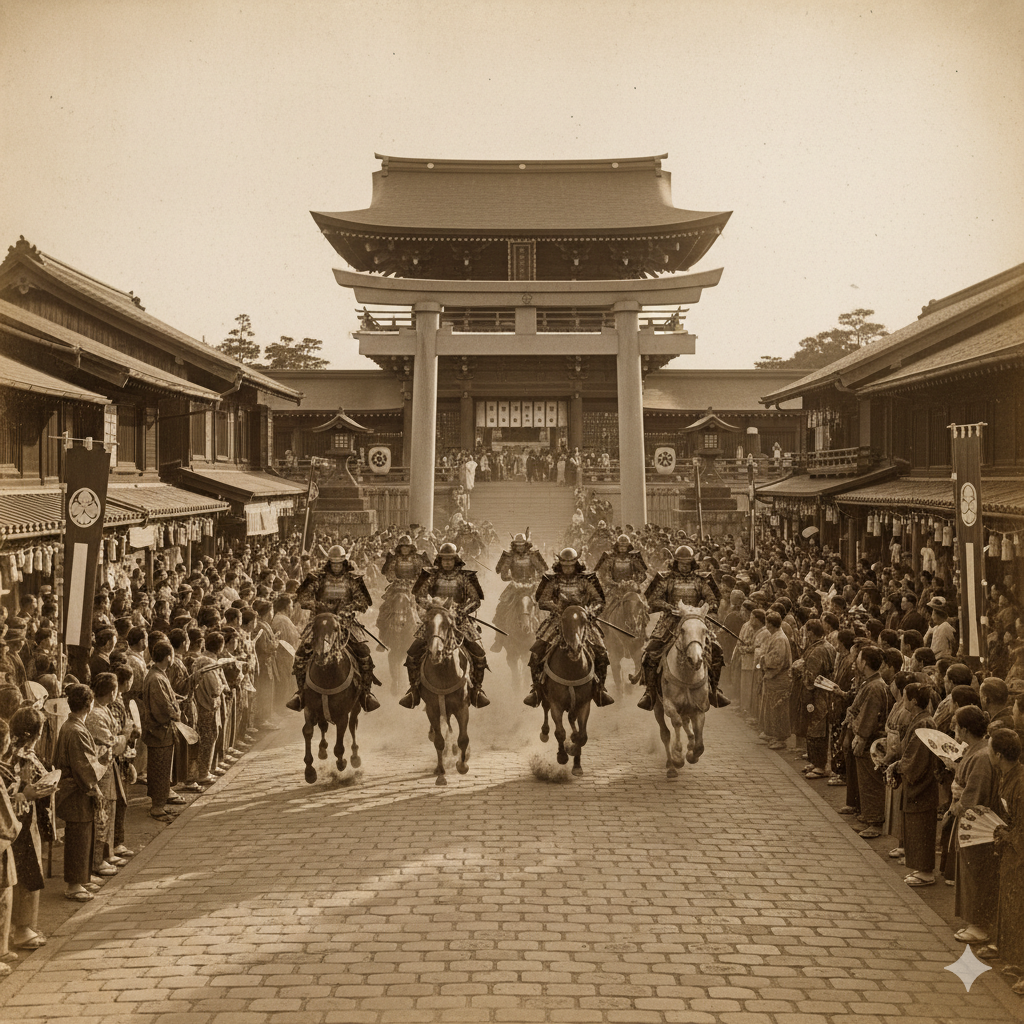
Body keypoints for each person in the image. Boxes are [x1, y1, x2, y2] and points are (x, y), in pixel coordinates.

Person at [286, 545, 380, 714]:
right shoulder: (318, 577)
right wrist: (318, 606)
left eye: (339, 563)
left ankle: (365, 693)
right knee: (300, 654)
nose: (336, 566)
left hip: (345, 624)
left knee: (364, 653)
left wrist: (347, 608)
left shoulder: (353, 578)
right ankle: (301, 693)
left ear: (344, 562)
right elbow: (302, 597)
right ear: (329, 562)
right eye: (333, 563)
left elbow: (365, 602)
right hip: (320, 622)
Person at [635, 546, 730, 711]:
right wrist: (669, 607)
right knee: (650, 652)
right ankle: (650, 692)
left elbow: (712, 598)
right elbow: (653, 599)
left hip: (695, 619)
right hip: (671, 620)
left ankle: (714, 689)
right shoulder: (667, 579)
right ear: (676, 563)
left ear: (692, 563)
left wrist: (705, 607)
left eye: (687, 563)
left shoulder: (701, 580)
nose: (684, 566)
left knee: (717, 650)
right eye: (681, 563)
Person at [400, 543, 490, 709]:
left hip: (459, 621)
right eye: (444, 560)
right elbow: (420, 596)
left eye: (450, 560)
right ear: (439, 560)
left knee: (479, 653)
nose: (447, 563)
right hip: (436, 619)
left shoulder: (465, 577)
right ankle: (413, 690)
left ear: (456, 559)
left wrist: (461, 610)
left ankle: (477, 690)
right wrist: (432, 607)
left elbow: (475, 600)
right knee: (412, 654)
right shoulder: (431, 575)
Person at [525, 547, 612, 709]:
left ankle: (600, 689)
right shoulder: (553, 580)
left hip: (583, 620)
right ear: (560, 564)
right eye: (564, 565)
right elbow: (543, 601)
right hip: (557, 621)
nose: (567, 568)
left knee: (602, 652)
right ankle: (536, 690)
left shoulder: (586, 579)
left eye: (570, 565)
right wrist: (558, 607)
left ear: (576, 564)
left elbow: (599, 600)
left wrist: (590, 612)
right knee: (536, 651)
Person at [4, 707, 58, 952]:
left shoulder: (12, 753)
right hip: (22, 822)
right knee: (27, 872)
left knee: (24, 871)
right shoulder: (21, 757)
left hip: (20, 820)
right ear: (37, 733)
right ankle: (22, 927)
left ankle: (21, 926)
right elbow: (16, 791)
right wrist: (29, 792)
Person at [52, 682, 106, 903]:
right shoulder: (74, 730)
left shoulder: (72, 726)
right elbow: (85, 767)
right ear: (88, 705)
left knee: (85, 833)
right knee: (78, 836)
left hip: (77, 786)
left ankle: (82, 878)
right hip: (76, 789)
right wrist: (95, 781)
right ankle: (74, 884)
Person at [950, 704, 999, 943]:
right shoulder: (977, 750)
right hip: (969, 818)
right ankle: (973, 921)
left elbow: (974, 796)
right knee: (970, 872)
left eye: (957, 726)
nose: (954, 729)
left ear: (966, 729)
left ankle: (978, 924)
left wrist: (958, 802)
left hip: (977, 824)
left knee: (975, 873)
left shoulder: (981, 757)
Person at [989, 728, 1024, 991]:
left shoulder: (1021, 783)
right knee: (1012, 909)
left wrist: (1005, 834)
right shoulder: (1007, 776)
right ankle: (1016, 960)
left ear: (999, 755)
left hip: (1019, 854)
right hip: (1012, 854)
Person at [140, 640, 182, 824]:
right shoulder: (156, 678)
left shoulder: (158, 675)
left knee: (163, 769)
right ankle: (157, 807)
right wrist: (176, 714)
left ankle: (160, 803)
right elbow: (163, 707)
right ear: (168, 657)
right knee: (160, 769)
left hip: (162, 731)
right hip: (159, 731)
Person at [491, 533, 548, 655]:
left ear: (526, 545)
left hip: (532, 587)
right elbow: (503, 574)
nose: (520, 548)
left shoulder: (533, 556)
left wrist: (535, 580)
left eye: (522, 545)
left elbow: (541, 570)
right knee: (501, 608)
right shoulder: (510, 557)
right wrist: (511, 578)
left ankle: (545, 637)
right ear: (514, 545)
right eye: (517, 545)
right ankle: (499, 639)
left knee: (544, 608)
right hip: (515, 587)